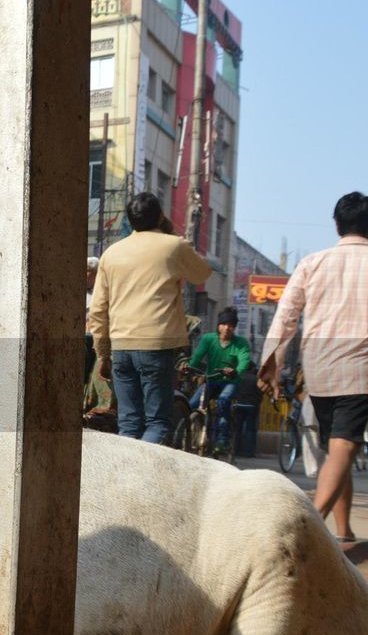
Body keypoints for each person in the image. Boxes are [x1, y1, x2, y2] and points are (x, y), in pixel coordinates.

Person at [259, 192, 368, 541]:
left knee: (336, 449)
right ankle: (309, 525)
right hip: (360, 368)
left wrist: (271, 365)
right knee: (343, 447)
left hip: (319, 368)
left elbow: (285, 318)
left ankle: (344, 530)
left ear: (336, 225)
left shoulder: (312, 263)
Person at [88, 192, 213, 443]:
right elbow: (202, 274)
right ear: (160, 216)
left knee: (128, 424)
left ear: (131, 220)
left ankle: (125, 479)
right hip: (157, 346)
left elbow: (98, 308)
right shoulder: (174, 246)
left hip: (121, 347)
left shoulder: (112, 253)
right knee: (156, 423)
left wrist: (102, 352)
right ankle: (141, 480)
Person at [187, 307, 251, 454]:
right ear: (218, 325)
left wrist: (236, 371)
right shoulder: (208, 339)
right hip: (211, 380)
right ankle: (189, 433)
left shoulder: (241, 343)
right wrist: (190, 367)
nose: (227, 328)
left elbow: (244, 360)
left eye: (230, 325)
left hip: (230, 381)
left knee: (223, 401)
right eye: (224, 324)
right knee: (192, 404)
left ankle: (223, 438)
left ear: (234, 328)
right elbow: (197, 356)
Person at [232, 364, 263, 458]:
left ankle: (236, 450)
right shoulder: (256, 379)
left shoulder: (239, 377)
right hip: (252, 406)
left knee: (238, 429)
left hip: (239, 405)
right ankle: (248, 452)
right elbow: (260, 393)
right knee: (250, 430)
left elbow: (234, 390)